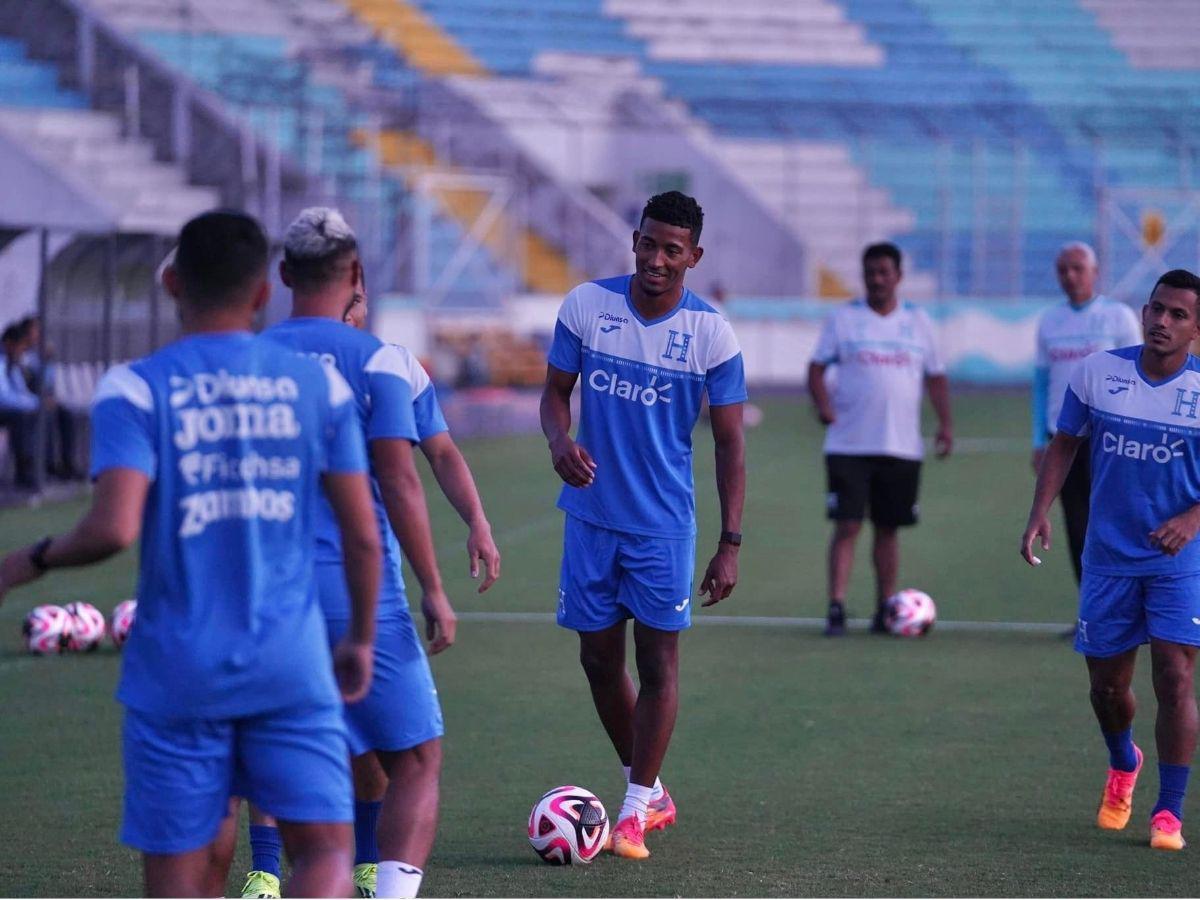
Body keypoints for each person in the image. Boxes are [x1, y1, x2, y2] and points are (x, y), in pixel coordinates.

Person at [0, 209, 383, 897]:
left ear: (172, 283)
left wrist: (30, 559)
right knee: (325, 854)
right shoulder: (316, 388)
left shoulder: (136, 387)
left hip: (177, 670)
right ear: (264, 293)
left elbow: (113, 529)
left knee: (181, 875)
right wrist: (357, 636)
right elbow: (361, 532)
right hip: (289, 665)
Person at [244, 207, 492, 900]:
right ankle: (379, 889)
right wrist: (435, 589)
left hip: (256, 591)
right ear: (356, 274)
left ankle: (267, 874)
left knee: (277, 750)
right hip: (355, 595)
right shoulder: (379, 362)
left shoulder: (246, 358)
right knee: (414, 757)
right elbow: (400, 476)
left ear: (283, 274)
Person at [540, 191, 747, 860]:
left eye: (672, 250)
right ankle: (652, 791)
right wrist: (558, 442)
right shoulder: (585, 307)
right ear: (634, 238)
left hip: (662, 528)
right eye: (649, 244)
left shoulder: (712, 335)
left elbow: (730, 445)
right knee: (597, 659)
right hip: (591, 520)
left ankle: (634, 809)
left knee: (657, 662)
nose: (657, 260)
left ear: (695, 256)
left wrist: (729, 543)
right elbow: (553, 396)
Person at [1021, 268, 1200, 852]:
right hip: (1108, 557)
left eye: (1178, 314)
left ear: (1196, 328)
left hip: (1178, 561)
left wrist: (1192, 519)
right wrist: (1039, 510)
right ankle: (1123, 761)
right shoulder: (1098, 371)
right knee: (1106, 689)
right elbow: (1065, 442)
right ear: (1143, 312)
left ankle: (1168, 813)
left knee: (1174, 678)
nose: (1162, 322)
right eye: (1156, 309)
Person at [807, 242, 953, 636]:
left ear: (898, 276)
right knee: (848, 525)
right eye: (870, 271)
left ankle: (885, 609)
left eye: (884, 272)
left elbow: (936, 377)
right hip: (848, 444)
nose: (876, 279)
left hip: (901, 444)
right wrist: (824, 406)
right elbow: (816, 369)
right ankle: (836, 606)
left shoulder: (918, 322)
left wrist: (945, 425)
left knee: (888, 529)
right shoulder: (843, 319)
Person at [1031, 243, 1141, 588]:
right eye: (1063, 269)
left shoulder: (1118, 317)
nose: (1070, 275)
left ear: (1095, 272)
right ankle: (1089, 611)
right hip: (1063, 439)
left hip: (1110, 438)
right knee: (1077, 525)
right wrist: (1038, 440)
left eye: (1078, 268)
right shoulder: (1050, 321)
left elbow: (1139, 376)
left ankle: (1124, 603)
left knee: (1115, 523)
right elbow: (1041, 383)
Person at [17, 315, 80, 480]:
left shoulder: (40, 354)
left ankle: (67, 463)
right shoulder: (21, 354)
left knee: (67, 415)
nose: (38, 334)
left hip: (42, 398)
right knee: (48, 415)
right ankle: (48, 465)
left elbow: (48, 383)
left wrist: (48, 362)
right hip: (30, 400)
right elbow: (23, 384)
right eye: (34, 330)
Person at [0, 323, 43, 490]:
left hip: (9, 408)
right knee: (22, 418)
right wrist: (36, 404)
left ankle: (50, 465)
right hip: (3, 408)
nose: (22, 351)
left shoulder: (13, 362)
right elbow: (3, 398)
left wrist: (38, 403)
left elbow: (21, 391)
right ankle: (23, 471)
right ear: (9, 344)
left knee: (52, 414)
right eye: (20, 347)